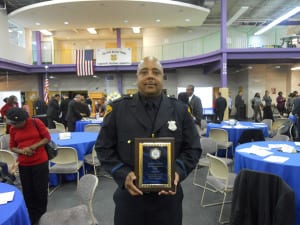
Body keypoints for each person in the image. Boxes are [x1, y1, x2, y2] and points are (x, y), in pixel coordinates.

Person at [95, 56, 201, 225]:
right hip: (130, 200)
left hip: (168, 202)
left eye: (156, 72)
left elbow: (193, 149)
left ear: (162, 78)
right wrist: (123, 174)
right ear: (137, 77)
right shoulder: (118, 110)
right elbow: (103, 148)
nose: (150, 76)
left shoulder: (180, 110)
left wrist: (177, 172)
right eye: (144, 72)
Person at [6, 107, 50, 225]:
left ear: (25, 119)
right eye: (14, 123)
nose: (17, 125)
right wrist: (22, 151)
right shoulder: (13, 129)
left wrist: (33, 147)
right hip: (24, 164)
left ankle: (42, 216)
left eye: (19, 123)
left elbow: (47, 138)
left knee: (40, 191)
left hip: (40, 162)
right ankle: (32, 216)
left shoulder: (36, 122)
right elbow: (12, 146)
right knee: (28, 192)